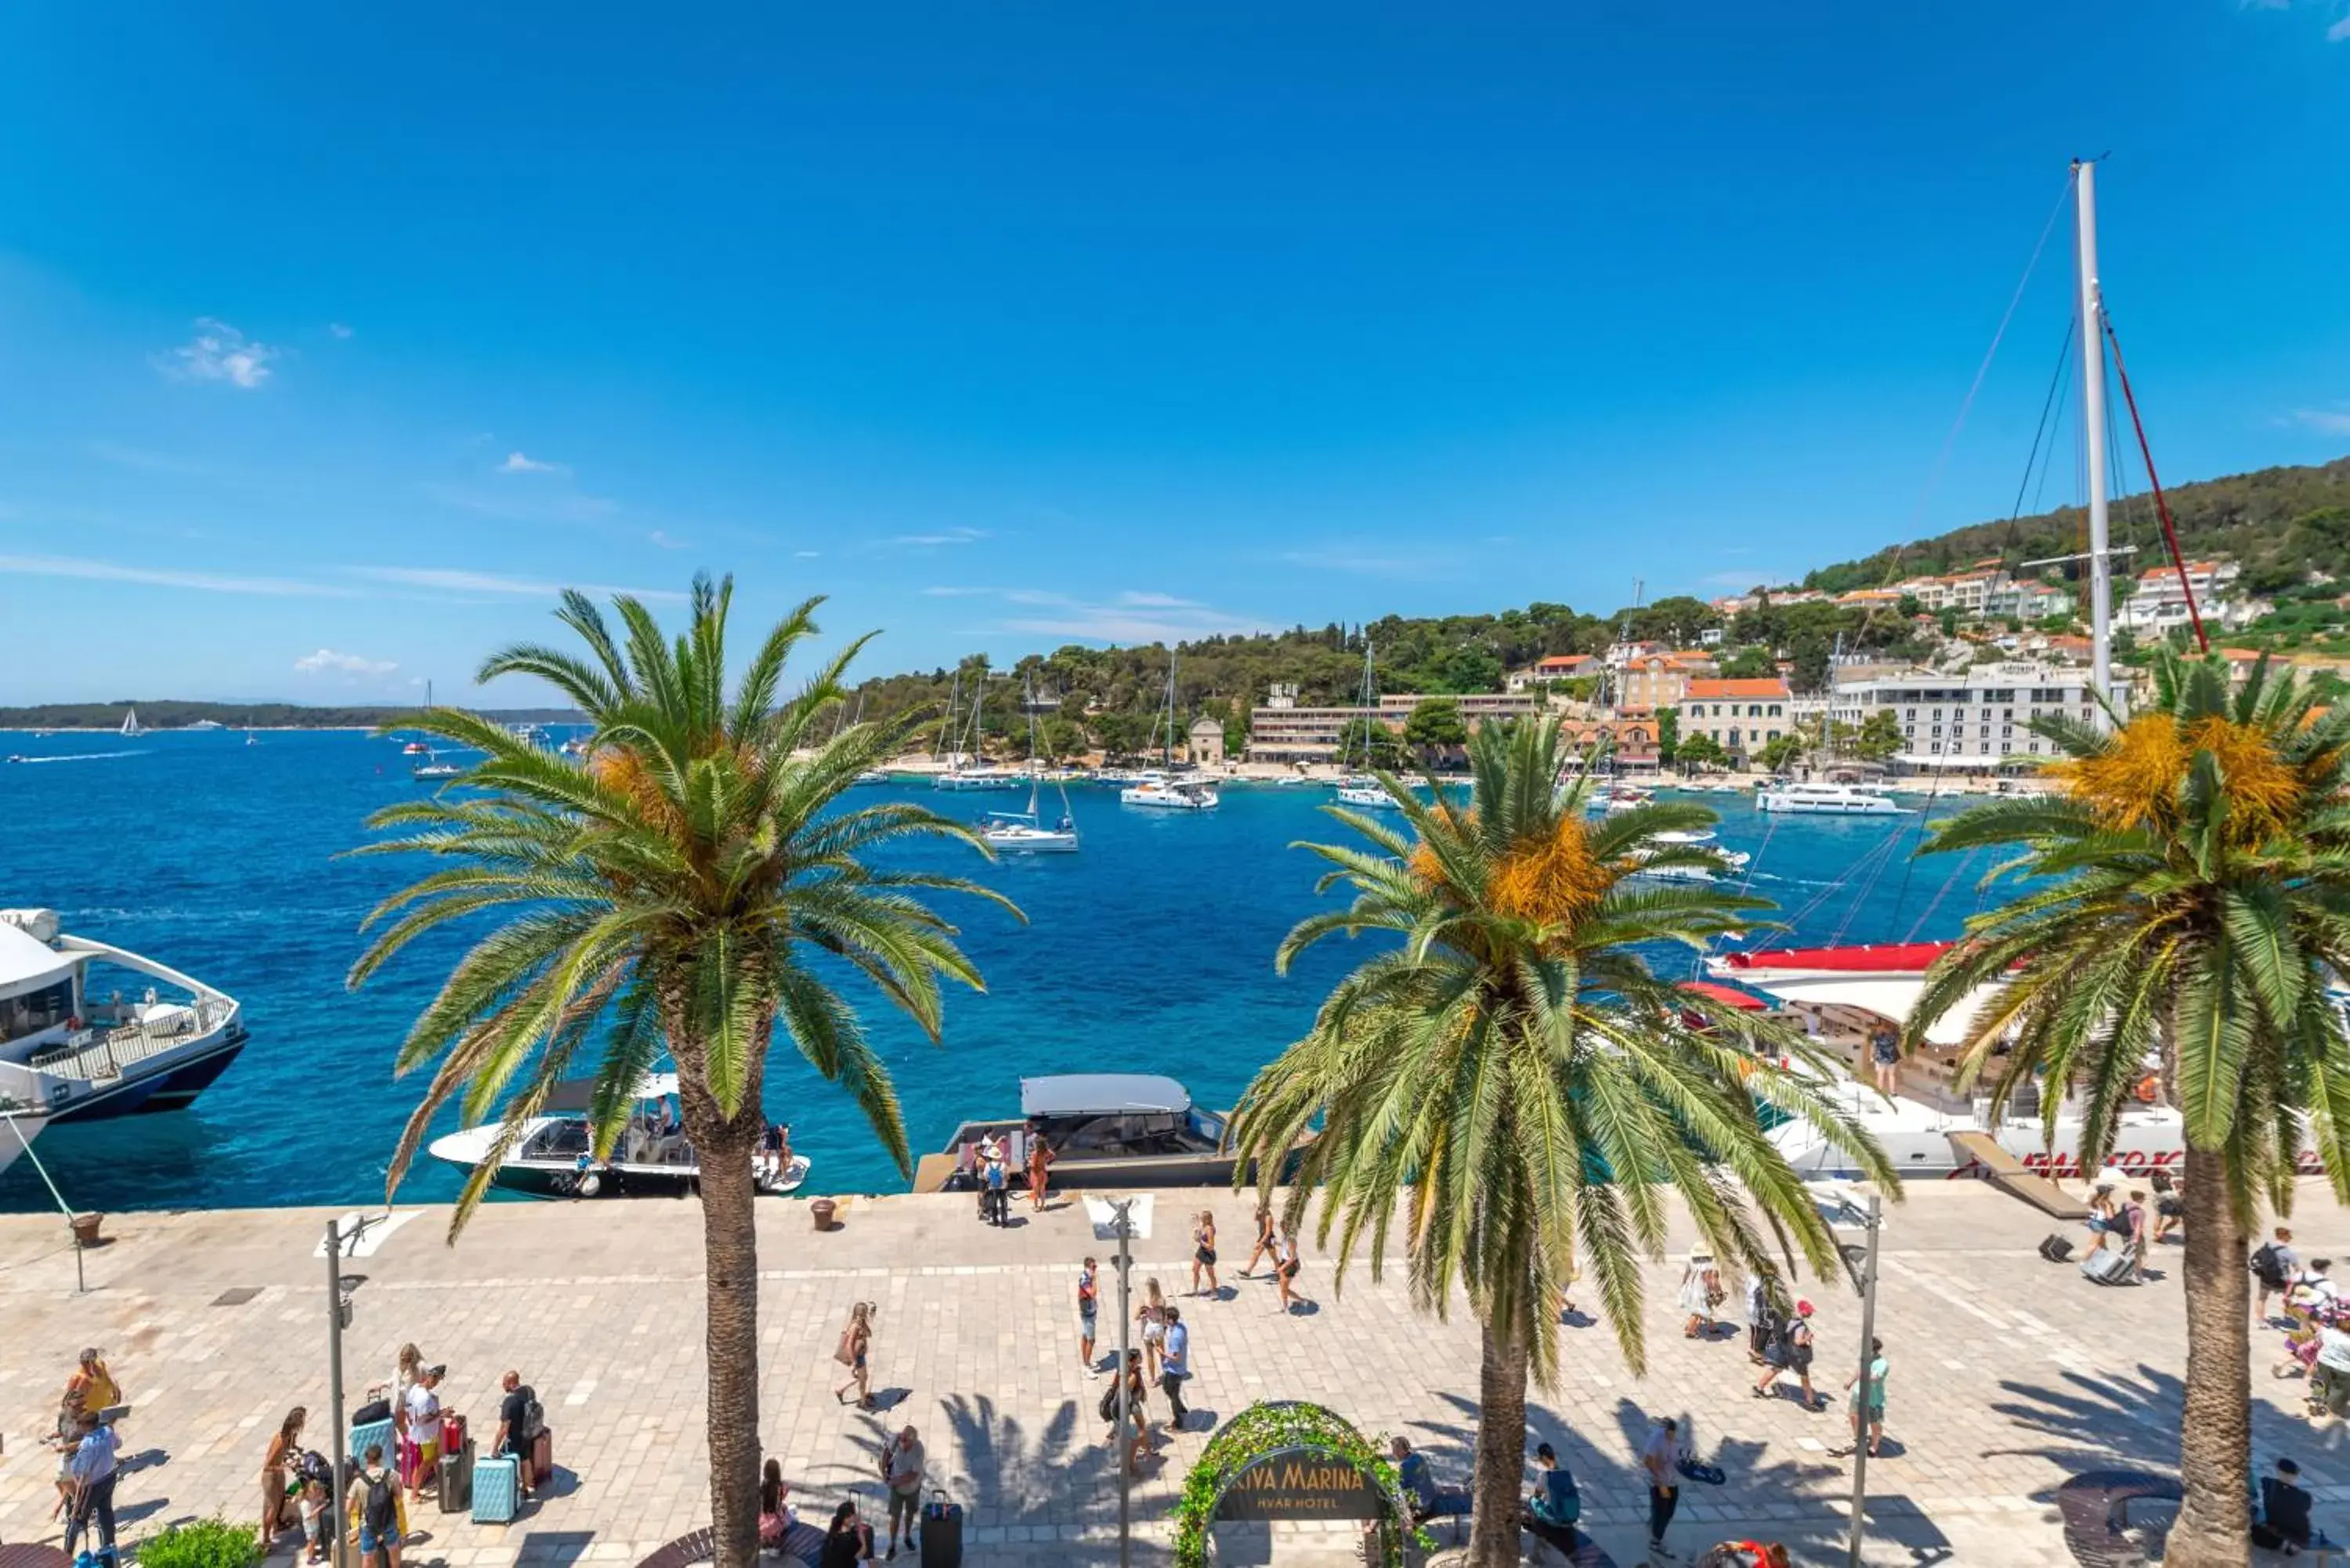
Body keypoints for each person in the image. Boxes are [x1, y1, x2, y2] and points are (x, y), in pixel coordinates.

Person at [64, 1411, 121, 1567]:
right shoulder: (108, 1431)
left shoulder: (87, 1444)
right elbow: (118, 1444)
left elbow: (80, 1469)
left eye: (80, 1425)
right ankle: (109, 1547)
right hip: (110, 1477)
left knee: (77, 1519)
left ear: (88, 1425)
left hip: (93, 1485)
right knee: (106, 1512)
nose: (79, 1428)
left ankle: (66, 1554)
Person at [1752, 1299, 1817, 1408]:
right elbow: (1798, 1342)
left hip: (1782, 1347)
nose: (1811, 1313)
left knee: (1776, 1368)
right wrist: (1808, 1338)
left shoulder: (1787, 1315)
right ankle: (1810, 1401)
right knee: (1804, 1376)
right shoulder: (1800, 1326)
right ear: (1803, 1312)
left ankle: (1759, 1388)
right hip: (1793, 1354)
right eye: (1809, 1311)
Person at [259, 1406, 307, 1547]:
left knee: (280, 1502)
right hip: (271, 1475)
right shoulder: (279, 1440)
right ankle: (266, 1538)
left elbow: (293, 1446)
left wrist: (298, 1451)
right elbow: (268, 1464)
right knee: (272, 1507)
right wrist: (286, 1466)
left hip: (279, 1473)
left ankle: (276, 1527)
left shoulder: (290, 1435)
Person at [349, 1443, 403, 1568]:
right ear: (381, 1458)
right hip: (388, 1518)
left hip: (368, 1523)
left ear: (366, 1459)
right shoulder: (391, 1474)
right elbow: (399, 1496)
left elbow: (348, 1508)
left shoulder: (359, 1482)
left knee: (368, 1555)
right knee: (393, 1548)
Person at [1101, 1349, 1152, 1472]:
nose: (1141, 1358)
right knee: (1134, 1432)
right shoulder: (1132, 1375)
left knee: (1126, 1428)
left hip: (1123, 1405)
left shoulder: (1126, 1370)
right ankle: (1133, 1460)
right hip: (1126, 1406)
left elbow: (1115, 1384)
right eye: (1139, 1357)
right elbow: (1125, 1389)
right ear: (1133, 1360)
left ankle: (1144, 1451)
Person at [401, 1364, 444, 1509]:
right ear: (432, 1378)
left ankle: (441, 1483)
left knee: (436, 1457)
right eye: (437, 1381)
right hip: (427, 1435)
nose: (437, 1384)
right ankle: (414, 1493)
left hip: (418, 1432)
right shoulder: (426, 1399)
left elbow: (408, 1409)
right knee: (427, 1462)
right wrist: (441, 1414)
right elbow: (423, 1420)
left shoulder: (415, 1389)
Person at [2254, 1457, 2317, 1553]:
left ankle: (2282, 1542)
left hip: (2275, 1524)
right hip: (2295, 1530)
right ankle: (2293, 1544)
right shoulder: (2304, 1496)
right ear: (2295, 1476)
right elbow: (2307, 1511)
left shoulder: (2268, 1484)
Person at [880, 1425, 925, 1561]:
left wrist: (894, 1482)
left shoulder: (919, 1450)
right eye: (902, 1438)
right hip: (897, 1489)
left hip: (912, 1488)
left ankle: (907, 1537)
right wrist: (884, 1473)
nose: (902, 1442)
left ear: (913, 1442)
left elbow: (912, 1475)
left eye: (906, 1441)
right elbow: (886, 1453)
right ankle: (892, 1544)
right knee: (895, 1517)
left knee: (910, 1514)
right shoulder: (896, 1439)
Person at [494, 1370, 540, 1497]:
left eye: (504, 1383)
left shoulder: (510, 1401)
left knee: (505, 1461)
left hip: (515, 1438)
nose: (503, 1386)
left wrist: (495, 1448)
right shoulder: (529, 1391)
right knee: (526, 1461)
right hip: (529, 1433)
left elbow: (504, 1428)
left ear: (510, 1383)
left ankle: (507, 1490)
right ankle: (526, 1488)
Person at [1640, 1417, 1680, 1563]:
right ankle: (1656, 1543)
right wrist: (1661, 1484)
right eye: (1669, 1434)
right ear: (1665, 1431)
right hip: (1658, 1482)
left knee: (1670, 1511)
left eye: (1674, 1434)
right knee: (1662, 1513)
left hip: (1672, 1480)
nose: (1672, 1437)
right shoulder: (1656, 1440)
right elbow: (1647, 1461)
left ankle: (1654, 1521)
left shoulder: (1674, 1440)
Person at [1842, 1338, 1889, 1458]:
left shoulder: (1883, 1364)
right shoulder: (1864, 1358)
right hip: (1859, 1393)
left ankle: (1874, 1446)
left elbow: (1876, 1378)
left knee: (1875, 1423)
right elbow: (1859, 1370)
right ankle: (1859, 1439)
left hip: (1873, 1398)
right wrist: (1851, 1381)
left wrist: (1865, 1374)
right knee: (1853, 1416)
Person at [1527, 1441, 1582, 1540]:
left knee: (1532, 1501)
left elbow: (1537, 1495)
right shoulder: (1566, 1474)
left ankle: (1536, 1525)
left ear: (1543, 1458)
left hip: (1556, 1520)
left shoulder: (1544, 1475)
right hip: (1571, 1519)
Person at [833, 1302, 876, 1409]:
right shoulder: (855, 1327)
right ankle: (862, 1402)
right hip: (858, 1357)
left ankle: (842, 1390)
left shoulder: (860, 1323)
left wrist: (868, 1321)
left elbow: (869, 1334)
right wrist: (854, 1363)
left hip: (860, 1355)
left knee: (863, 1377)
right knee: (863, 1379)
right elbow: (849, 1346)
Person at [2257, 1227, 2302, 1322]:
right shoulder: (2287, 1252)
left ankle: (2260, 1319)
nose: (2290, 1238)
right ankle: (2288, 1316)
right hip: (2281, 1280)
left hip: (2266, 1277)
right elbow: (2297, 1269)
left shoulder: (2267, 1247)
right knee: (2289, 1297)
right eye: (2289, 1236)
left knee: (2262, 1299)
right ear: (2284, 1237)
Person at [66, 1348, 121, 1417]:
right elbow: (71, 1402)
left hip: (108, 1408)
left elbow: (108, 1379)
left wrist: (116, 1390)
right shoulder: (82, 1379)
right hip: (93, 1417)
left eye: (91, 1362)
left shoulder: (101, 1365)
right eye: (85, 1363)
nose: (89, 1365)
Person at [819, 1500, 875, 1568]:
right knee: (870, 1564)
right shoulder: (849, 1540)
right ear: (850, 1517)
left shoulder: (833, 1533)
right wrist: (860, 1529)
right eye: (854, 1514)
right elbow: (862, 1552)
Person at [1161, 1305, 1191, 1429]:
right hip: (1180, 1368)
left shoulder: (1175, 1337)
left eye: (1166, 1318)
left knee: (1171, 1392)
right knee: (1171, 1390)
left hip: (1174, 1370)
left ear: (1171, 1320)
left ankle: (1178, 1421)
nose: (1164, 1320)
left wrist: (1161, 1352)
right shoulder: (1181, 1327)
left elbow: (1175, 1357)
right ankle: (1181, 1408)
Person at [1679, 1256, 1722, 1339]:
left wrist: (1683, 1283)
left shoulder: (1691, 1261)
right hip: (1702, 1291)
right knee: (1698, 1313)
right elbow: (1711, 1282)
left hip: (1693, 1288)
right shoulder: (1709, 1265)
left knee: (1704, 1309)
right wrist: (1716, 1292)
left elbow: (1687, 1274)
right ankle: (1690, 1331)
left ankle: (1712, 1326)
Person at [758, 1458, 793, 1555]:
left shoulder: (763, 1486)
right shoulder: (780, 1487)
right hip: (775, 1523)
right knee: (787, 1512)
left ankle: (767, 1539)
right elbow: (778, 1509)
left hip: (762, 1523)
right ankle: (775, 1539)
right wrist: (783, 1521)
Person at [1139, 1278, 1168, 1382]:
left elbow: (1137, 1316)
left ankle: (1152, 1379)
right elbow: (1165, 1317)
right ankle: (1165, 1373)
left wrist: (1143, 1315)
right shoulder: (1162, 1300)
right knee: (1162, 1351)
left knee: (1150, 1353)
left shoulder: (1145, 1301)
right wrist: (1165, 1328)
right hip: (1159, 1326)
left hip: (1149, 1327)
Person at [300, 1476, 331, 1565]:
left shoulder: (312, 1499)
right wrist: (320, 1507)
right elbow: (308, 1516)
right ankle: (310, 1558)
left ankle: (312, 1553)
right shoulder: (305, 1504)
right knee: (311, 1542)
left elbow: (321, 1499)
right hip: (310, 1526)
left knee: (313, 1542)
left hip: (314, 1524)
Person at [1273, 1224, 1302, 1314]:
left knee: (1284, 1289)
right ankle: (1298, 1301)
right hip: (1285, 1262)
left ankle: (1285, 1306)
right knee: (1283, 1288)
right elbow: (1285, 1247)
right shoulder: (1285, 1236)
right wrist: (1277, 1243)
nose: (1281, 1227)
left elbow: (1292, 1258)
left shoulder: (1291, 1240)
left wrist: (1282, 1268)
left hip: (1290, 1265)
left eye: (1282, 1226)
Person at [2150, 1169, 2184, 1245]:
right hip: (2163, 1202)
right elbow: (2178, 1199)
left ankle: (2158, 1233)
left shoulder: (2157, 1181)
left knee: (2160, 1217)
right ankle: (2159, 1233)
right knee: (2162, 1218)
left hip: (2160, 1201)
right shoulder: (2171, 1193)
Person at [1078, 1257, 1101, 1371]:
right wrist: (1095, 1280)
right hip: (1088, 1314)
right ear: (1088, 1267)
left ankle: (1086, 1361)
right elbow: (1093, 1293)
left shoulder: (1088, 1277)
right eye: (1094, 1267)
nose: (1095, 1269)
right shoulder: (1085, 1279)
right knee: (1091, 1340)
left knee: (1085, 1336)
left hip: (1089, 1311)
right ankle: (1087, 1366)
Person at [1242, 1206, 1277, 1277]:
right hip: (1262, 1236)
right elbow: (1255, 1219)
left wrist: (1260, 1243)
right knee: (1256, 1254)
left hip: (1268, 1238)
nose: (1260, 1208)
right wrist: (1257, 1211)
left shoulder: (1268, 1217)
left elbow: (1268, 1233)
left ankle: (1280, 1272)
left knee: (1274, 1257)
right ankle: (1248, 1271)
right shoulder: (1261, 1214)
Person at [1191, 1210, 1219, 1296]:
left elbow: (1211, 1246)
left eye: (1202, 1218)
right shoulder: (1204, 1224)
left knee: (1211, 1274)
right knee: (1195, 1269)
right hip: (1202, 1251)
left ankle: (1214, 1291)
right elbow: (1199, 1223)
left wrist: (1200, 1241)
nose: (1201, 1219)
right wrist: (1196, 1218)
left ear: (1207, 1220)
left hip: (1208, 1254)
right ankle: (1195, 1289)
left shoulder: (1209, 1229)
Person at [1027, 1129, 1054, 1212]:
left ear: (1037, 1145)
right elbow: (1053, 1155)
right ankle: (1043, 1206)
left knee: (1036, 1191)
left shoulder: (1035, 1153)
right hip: (1043, 1172)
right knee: (1042, 1190)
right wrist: (1047, 1161)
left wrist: (1029, 1162)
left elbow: (1033, 1165)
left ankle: (1036, 1207)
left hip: (1036, 1174)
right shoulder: (1045, 1151)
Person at [982, 1148, 1010, 1227]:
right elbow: (1007, 1176)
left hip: (993, 1187)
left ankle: (995, 1221)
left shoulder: (988, 1165)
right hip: (1003, 1187)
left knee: (994, 1204)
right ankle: (1004, 1221)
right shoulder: (1003, 1165)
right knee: (1003, 1204)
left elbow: (986, 1176)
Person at [1869, 1024, 1900, 1094]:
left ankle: (1879, 1090)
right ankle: (1893, 1091)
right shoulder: (1893, 1036)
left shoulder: (1877, 1038)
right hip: (1892, 1057)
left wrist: (1871, 1056)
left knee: (1881, 1074)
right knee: (1892, 1075)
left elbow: (1873, 1047)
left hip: (1882, 1058)